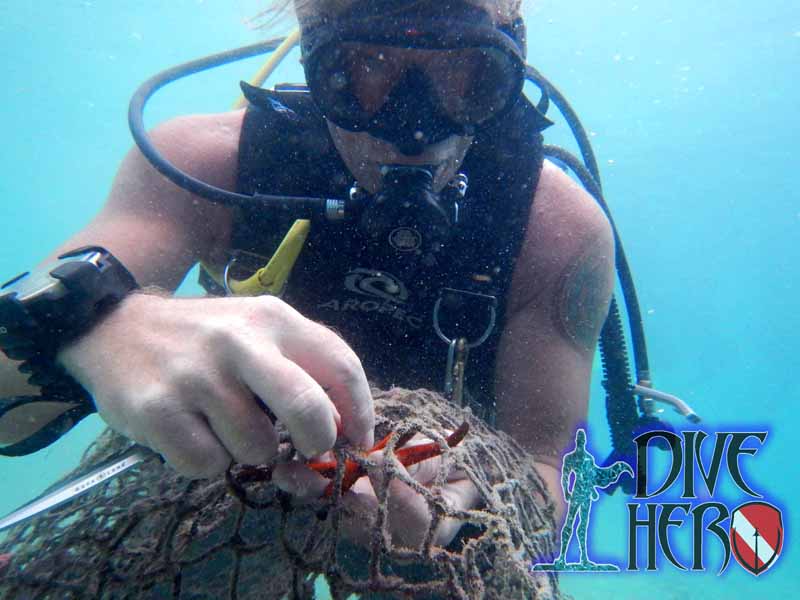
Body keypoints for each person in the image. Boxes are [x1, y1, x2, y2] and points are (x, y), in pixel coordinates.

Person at [0, 0, 614, 548]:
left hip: (437, 487)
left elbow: (546, 469)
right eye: (365, 73)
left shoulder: (556, 231)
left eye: (461, 78)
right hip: (247, 467)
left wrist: (470, 505)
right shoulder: (209, 165)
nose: (413, 129)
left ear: (508, 68)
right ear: (314, 57)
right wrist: (101, 327)